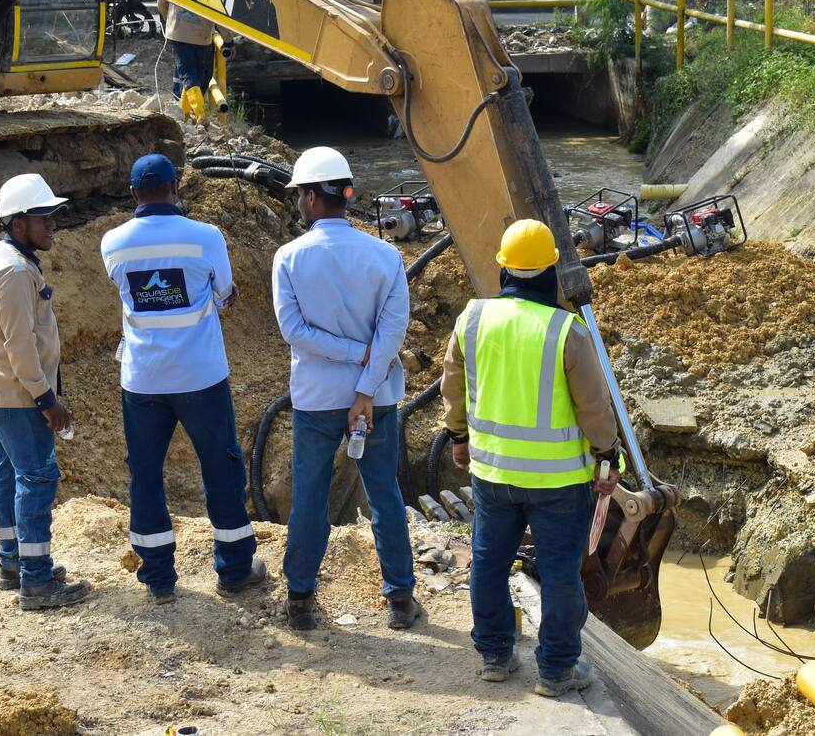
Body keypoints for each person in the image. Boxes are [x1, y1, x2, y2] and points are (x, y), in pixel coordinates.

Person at [439, 219, 622, 696]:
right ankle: (557, 669)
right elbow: (594, 409)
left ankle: (496, 656)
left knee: (488, 562)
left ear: (504, 271)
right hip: (559, 482)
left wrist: (458, 436)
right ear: (549, 273)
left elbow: (453, 390)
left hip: (493, 475)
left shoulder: (472, 320)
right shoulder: (568, 331)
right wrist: (608, 456)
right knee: (561, 572)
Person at [101, 154, 265, 604]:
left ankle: (157, 577)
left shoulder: (112, 243)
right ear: (177, 188)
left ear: (133, 194)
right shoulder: (205, 236)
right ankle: (233, 570)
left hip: (143, 381)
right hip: (201, 377)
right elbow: (225, 292)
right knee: (221, 467)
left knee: (146, 475)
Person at [273, 146, 423, 631]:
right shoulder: (384, 256)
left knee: (310, 498)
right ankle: (400, 599)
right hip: (376, 399)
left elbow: (294, 331)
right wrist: (366, 378)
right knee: (384, 495)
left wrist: (348, 355)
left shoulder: (289, 258)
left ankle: (300, 600)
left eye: (300, 195)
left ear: (314, 196)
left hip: (317, 399)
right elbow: (392, 330)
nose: (298, 203)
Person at [0, 173, 91, 611]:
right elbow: (19, 343)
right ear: (18, 222)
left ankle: (14, 563)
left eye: (53, 216)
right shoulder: (17, 271)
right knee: (37, 479)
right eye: (44, 217)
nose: (53, 225)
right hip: (21, 396)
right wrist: (46, 399)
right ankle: (37, 581)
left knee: (7, 474)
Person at [157, 0, 215, 123]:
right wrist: (228, 39)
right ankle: (196, 113)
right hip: (202, 36)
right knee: (196, 75)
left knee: (188, 74)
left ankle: (190, 113)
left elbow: (161, 3)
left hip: (179, 34)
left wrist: (170, 22)